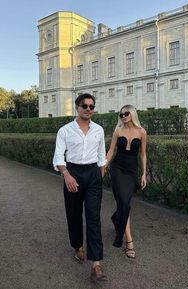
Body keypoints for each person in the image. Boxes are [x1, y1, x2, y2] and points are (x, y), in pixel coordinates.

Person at [53, 93, 107, 282]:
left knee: (93, 218)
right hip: (72, 173)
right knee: (74, 214)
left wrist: (99, 175)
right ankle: (78, 247)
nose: (88, 109)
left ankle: (97, 264)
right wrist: (66, 174)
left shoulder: (99, 130)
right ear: (77, 107)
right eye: (85, 106)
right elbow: (59, 157)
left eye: (92, 106)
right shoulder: (65, 130)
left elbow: (102, 156)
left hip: (93, 175)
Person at [106, 104, 147, 258]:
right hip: (117, 169)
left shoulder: (142, 132)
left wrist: (144, 174)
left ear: (132, 114)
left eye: (126, 114)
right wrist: (104, 166)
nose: (123, 116)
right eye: (121, 114)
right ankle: (129, 240)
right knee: (123, 203)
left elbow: (143, 154)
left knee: (125, 203)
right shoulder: (118, 131)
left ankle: (117, 218)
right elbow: (111, 151)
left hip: (131, 171)